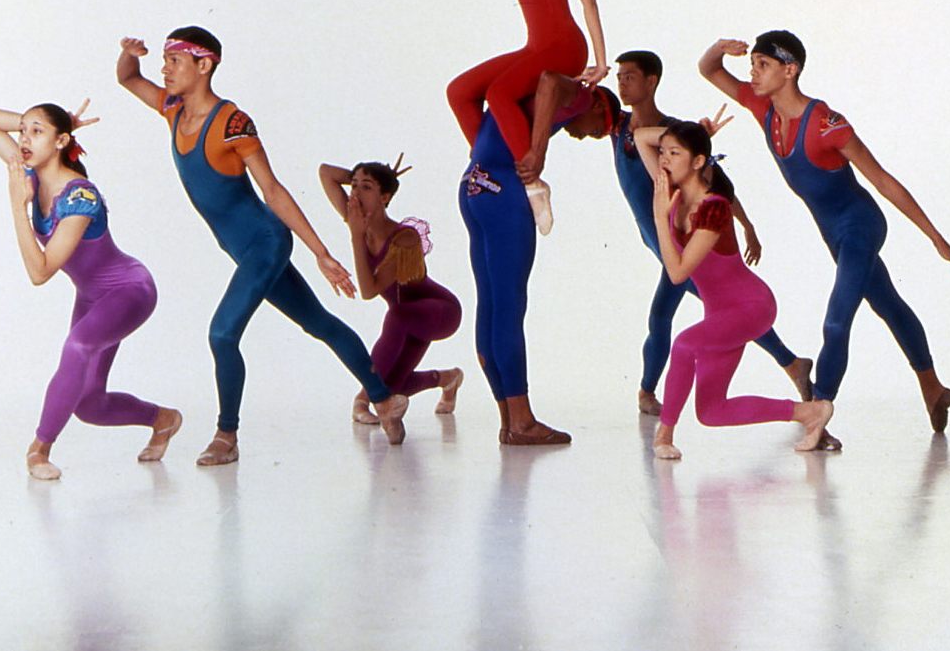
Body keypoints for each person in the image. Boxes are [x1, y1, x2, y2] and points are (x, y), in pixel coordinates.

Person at [116, 28, 409, 459]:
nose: (165, 69)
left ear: (204, 65)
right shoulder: (174, 109)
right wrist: (128, 54)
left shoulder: (232, 123)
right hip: (242, 248)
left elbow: (272, 191)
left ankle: (226, 436)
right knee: (319, 323)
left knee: (222, 333)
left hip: (266, 243)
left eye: (174, 61)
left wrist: (321, 253)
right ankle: (385, 398)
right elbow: (128, 79)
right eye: (164, 60)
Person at [699, 31, 950, 433]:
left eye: (763, 65)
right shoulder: (763, 109)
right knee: (889, 305)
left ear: (790, 70)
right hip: (834, 234)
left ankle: (817, 416)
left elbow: (882, 180)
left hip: (861, 226)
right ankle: (933, 387)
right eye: (753, 64)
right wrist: (720, 49)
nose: (753, 73)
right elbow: (708, 69)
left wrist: (936, 238)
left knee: (836, 321)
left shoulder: (827, 124)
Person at [516, 59, 815, 419]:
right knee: (661, 317)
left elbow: (714, 178)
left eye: (630, 77)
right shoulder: (620, 129)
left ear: (650, 82)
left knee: (720, 311)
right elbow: (598, 122)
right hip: (663, 244)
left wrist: (746, 224)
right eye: (620, 78)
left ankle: (789, 364)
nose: (623, 85)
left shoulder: (670, 133)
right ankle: (648, 391)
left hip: (681, 245)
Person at [0, 101, 181, 480]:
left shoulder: (79, 198)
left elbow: (40, 273)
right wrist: (54, 124)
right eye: (23, 130)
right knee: (89, 406)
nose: (24, 138)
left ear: (60, 143)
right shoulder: (31, 175)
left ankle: (39, 450)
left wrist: (17, 207)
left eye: (37, 132)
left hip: (130, 291)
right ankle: (164, 419)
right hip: (90, 297)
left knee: (77, 347)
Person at [633, 119, 834, 461]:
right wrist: (696, 132)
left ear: (697, 162)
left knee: (684, 345)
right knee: (712, 411)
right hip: (721, 315)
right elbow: (640, 136)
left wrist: (657, 217)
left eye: (673, 153)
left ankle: (664, 436)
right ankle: (809, 413)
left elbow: (678, 273)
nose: (663, 159)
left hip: (751, 307)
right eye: (663, 152)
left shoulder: (714, 208)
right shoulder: (671, 195)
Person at [447, 0, 609, 233]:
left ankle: (534, 183)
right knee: (460, 91)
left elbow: (589, 2)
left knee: (501, 93)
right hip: (535, 47)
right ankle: (490, 165)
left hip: (565, 47)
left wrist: (601, 61)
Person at [459, 85, 596, 445]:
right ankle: (521, 420)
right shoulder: (583, 97)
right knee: (508, 307)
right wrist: (539, 152)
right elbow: (553, 78)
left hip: (474, 183)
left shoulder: (523, 96)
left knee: (490, 305)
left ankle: (508, 419)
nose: (584, 137)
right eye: (595, 130)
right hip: (502, 190)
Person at [319, 158, 463, 423]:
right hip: (406, 320)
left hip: (439, 311)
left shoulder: (404, 237)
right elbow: (326, 173)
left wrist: (355, 235)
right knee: (392, 387)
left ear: (385, 197)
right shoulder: (357, 221)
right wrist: (372, 178)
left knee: (396, 316)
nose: (355, 194)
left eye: (366, 188)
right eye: (354, 187)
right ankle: (449, 378)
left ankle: (362, 398)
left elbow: (368, 290)